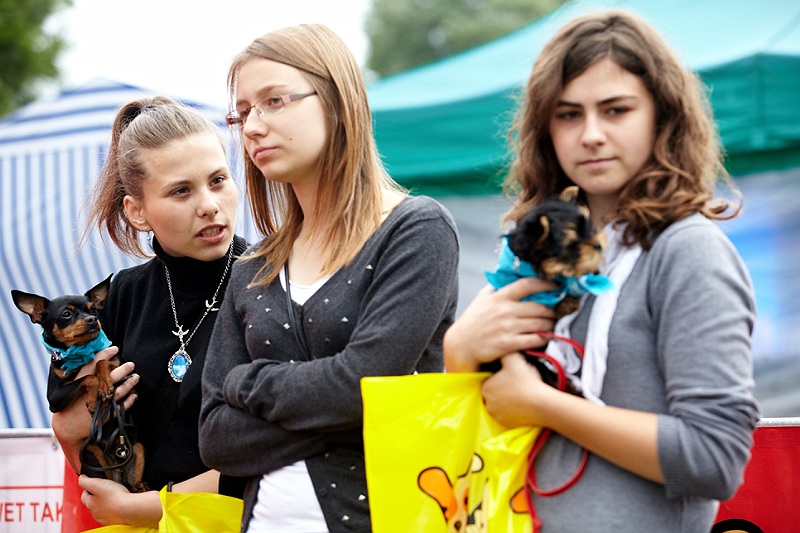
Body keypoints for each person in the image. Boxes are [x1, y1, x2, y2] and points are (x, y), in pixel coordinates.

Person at [444, 10, 759, 531]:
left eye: (616, 110)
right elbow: (485, 427)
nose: (590, 134)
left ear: (662, 117)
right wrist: (460, 353)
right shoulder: (544, 249)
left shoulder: (688, 251)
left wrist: (544, 404)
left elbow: (714, 459)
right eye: (568, 114)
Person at [198, 24, 460, 532]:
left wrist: (247, 381)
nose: (252, 127)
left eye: (274, 101)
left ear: (338, 101)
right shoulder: (252, 266)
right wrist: (352, 412)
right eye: (243, 112)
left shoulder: (416, 230)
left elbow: (363, 385)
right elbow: (215, 438)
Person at [51, 96, 248, 528]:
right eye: (181, 190)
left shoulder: (271, 285)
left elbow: (275, 452)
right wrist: (67, 430)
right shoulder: (118, 297)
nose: (209, 204)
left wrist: (146, 508)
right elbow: (89, 455)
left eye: (218, 180)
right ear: (137, 212)